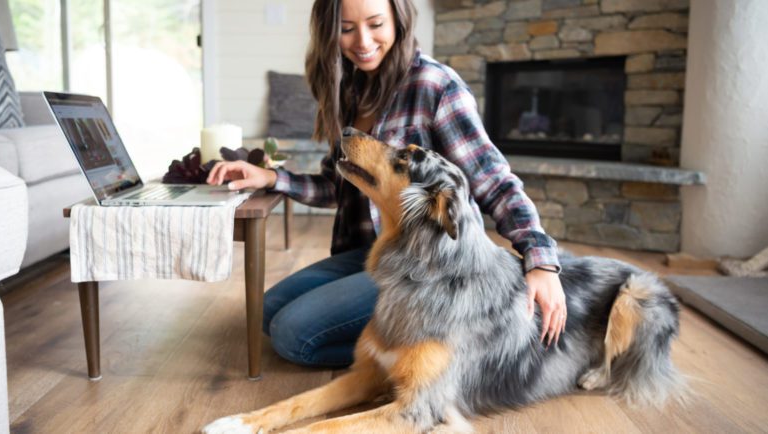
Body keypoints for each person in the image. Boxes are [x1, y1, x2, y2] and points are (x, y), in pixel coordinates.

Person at [207, 0, 566, 368]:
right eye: (346, 29)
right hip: (371, 253)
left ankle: (434, 358)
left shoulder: (435, 85)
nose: (362, 41)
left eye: (375, 24)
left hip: (425, 269)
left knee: (293, 335)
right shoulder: (350, 89)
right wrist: (271, 177)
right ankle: (406, 340)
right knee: (268, 312)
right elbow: (337, 188)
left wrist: (541, 262)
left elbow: (493, 181)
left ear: (399, 19)